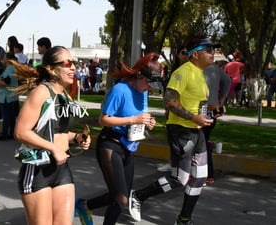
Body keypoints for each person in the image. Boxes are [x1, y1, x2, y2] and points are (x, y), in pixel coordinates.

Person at [129, 36, 218, 225]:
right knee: (180, 179)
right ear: (195, 54)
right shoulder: (183, 72)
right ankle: (138, 195)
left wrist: (213, 109)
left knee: (200, 177)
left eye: (213, 50)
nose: (213, 53)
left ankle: (184, 219)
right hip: (181, 131)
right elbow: (169, 102)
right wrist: (194, 117)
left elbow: (194, 103)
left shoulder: (199, 72)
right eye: (209, 50)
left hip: (196, 130)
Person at [74, 53, 159, 225]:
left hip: (129, 147)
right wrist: (133, 120)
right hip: (111, 145)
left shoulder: (143, 91)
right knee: (120, 199)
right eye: (148, 84)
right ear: (139, 75)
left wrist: (148, 121)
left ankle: (86, 205)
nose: (149, 88)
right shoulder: (120, 90)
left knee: (122, 199)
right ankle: (85, 205)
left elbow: (138, 115)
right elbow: (103, 119)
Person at [13, 46, 91, 225]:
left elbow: (56, 132)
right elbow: (20, 131)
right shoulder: (41, 92)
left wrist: (77, 137)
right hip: (38, 169)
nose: (73, 68)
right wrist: (53, 148)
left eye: (74, 64)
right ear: (51, 68)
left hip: (61, 169)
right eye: (67, 63)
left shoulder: (63, 95)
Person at [202, 62, 231, 185]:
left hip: (199, 109)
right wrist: (221, 100)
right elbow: (228, 81)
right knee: (204, 141)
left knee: (198, 144)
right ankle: (208, 174)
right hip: (212, 110)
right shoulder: (215, 68)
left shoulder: (196, 67)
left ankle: (201, 175)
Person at [0, 52, 19, 141]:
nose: (3, 59)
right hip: (11, 95)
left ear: (8, 59)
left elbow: (6, 82)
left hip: (6, 96)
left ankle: (4, 134)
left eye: (4, 58)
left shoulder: (9, 69)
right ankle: (12, 133)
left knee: (6, 116)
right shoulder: (13, 68)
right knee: (11, 116)